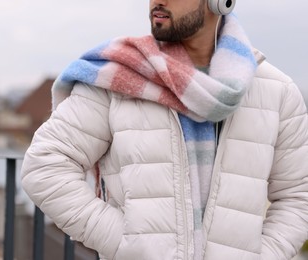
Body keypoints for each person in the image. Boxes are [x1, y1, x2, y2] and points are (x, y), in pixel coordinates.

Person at [21, 0, 308, 259]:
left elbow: (298, 197)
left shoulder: (275, 91)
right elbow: (44, 166)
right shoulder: (117, 78)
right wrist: (126, 245)